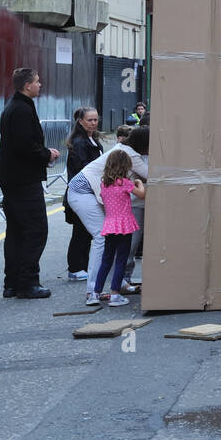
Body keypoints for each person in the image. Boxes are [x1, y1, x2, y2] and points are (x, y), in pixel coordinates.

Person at [66, 127, 149, 307]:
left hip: (91, 192)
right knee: (101, 239)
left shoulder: (122, 154)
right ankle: (94, 291)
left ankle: (111, 286)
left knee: (108, 248)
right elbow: (150, 176)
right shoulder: (130, 156)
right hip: (82, 191)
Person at [0, 68, 60, 299]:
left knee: (16, 231)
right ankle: (28, 283)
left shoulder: (13, 107)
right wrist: (47, 154)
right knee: (36, 230)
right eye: (37, 81)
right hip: (24, 180)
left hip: (12, 178)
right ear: (27, 86)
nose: (40, 84)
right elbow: (24, 146)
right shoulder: (22, 110)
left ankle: (12, 283)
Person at [93, 150, 144, 307]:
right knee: (121, 258)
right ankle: (115, 294)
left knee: (106, 260)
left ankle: (95, 293)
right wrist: (140, 183)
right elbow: (141, 194)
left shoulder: (104, 184)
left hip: (110, 225)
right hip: (124, 225)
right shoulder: (125, 183)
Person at [64, 108, 103, 280]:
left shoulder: (92, 139)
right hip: (81, 192)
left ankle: (82, 267)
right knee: (81, 231)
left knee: (86, 231)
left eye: (95, 119)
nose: (94, 123)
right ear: (81, 121)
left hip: (90, 192)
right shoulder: (79, 142)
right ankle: (75, 268)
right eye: (90, 120)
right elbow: (85, 168)